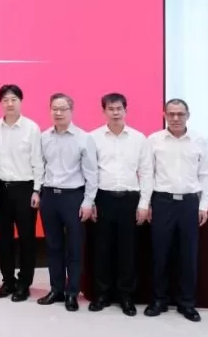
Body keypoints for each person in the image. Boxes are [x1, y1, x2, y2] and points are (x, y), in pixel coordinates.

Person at [144, 99, 208, 323]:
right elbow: (148, 175)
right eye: (171, 114)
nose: (175, 118)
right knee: (159, 253)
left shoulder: (199, 141)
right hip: (162, 202)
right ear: (164, 115)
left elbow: (206, 175)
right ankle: (159, 300)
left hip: (189, 203)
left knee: (188, 255)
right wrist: (147, 203)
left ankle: (187, 303)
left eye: (180, 114)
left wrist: (203, 206)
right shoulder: (153, 140)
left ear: (188, 115)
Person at [89, 93, 152, 316]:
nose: (115, 113)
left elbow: (146, 172)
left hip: (130, 199)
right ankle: (102, 294)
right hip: (103, 198)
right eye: (111, 109)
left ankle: (126, 296)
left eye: (119, 109)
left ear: (126, 110)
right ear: (103, 111)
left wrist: (144, 204)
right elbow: (90, 172)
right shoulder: (93, 138)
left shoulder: (139, 139)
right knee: (102, 249)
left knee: (128, 250)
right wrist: (91, 201)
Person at [37, 93, 97, 311]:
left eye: (63, 109)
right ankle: (56, 289)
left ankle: (72, 292)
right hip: (49, 197)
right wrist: (37, 191)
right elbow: (40, 166)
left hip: (73, 197)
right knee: (53, 246)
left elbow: (91, 173)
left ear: (71, 110)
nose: (58, 113)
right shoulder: (44, 137)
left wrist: (88, 201)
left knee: (74, 247)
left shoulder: (84, 138)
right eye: (54, 109)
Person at [0, 83, 43, 302]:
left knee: (27, 238)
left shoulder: (31, 128)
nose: (9, 104)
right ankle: (8, 281)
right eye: (5, 100)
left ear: (21, 102)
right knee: (4, 238)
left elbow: (38, 162)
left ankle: (24, 283)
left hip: (25, 188)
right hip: (1, 188)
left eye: (14, 100)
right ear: (0, 103)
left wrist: (37, 190)